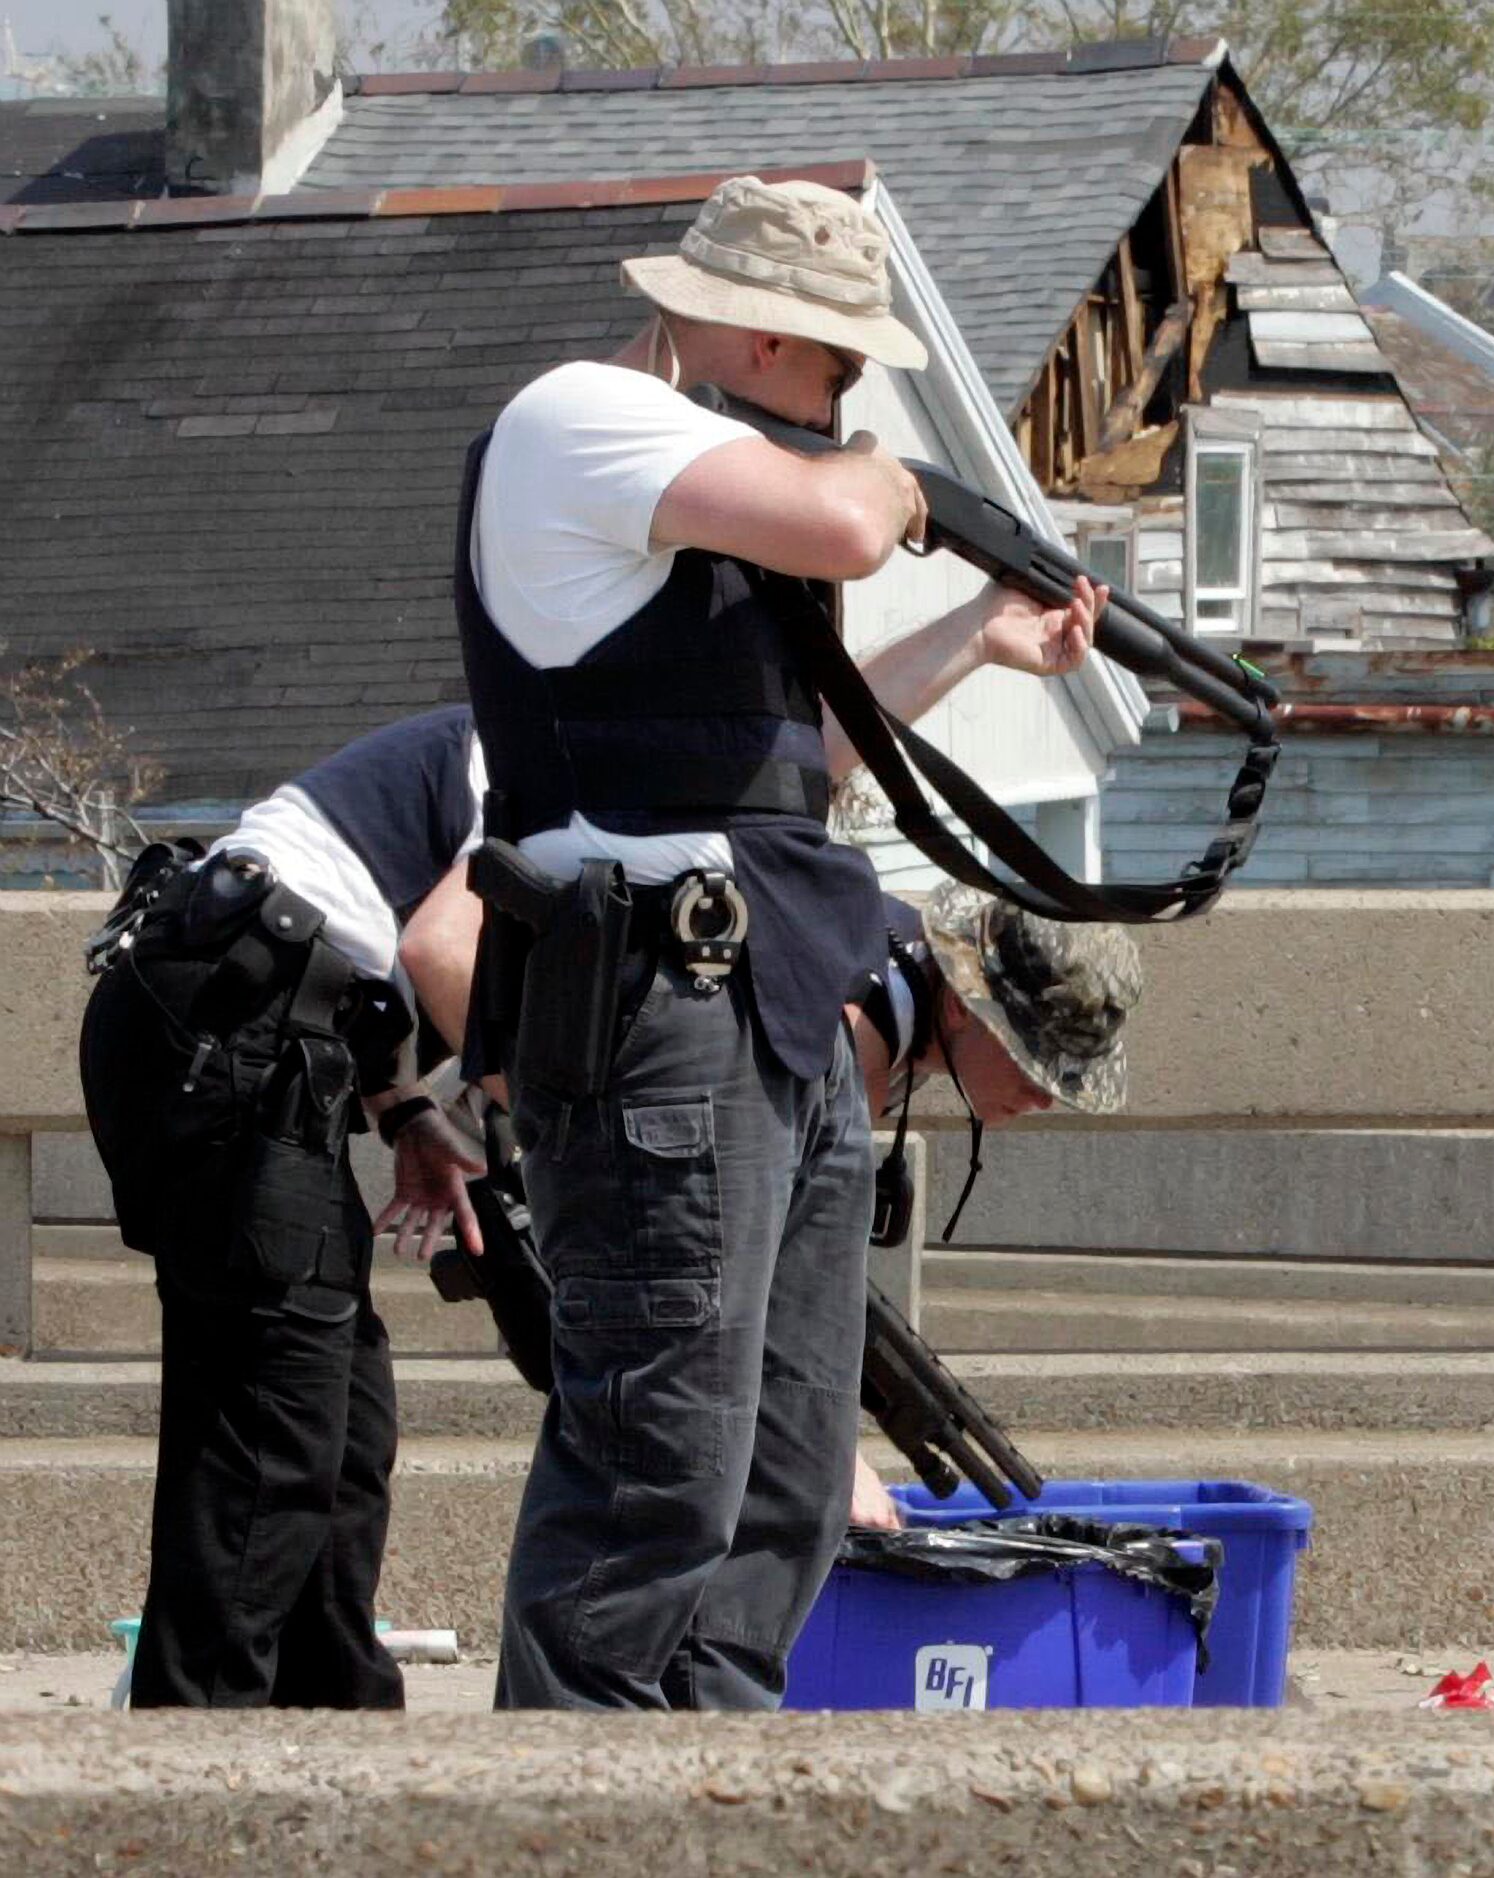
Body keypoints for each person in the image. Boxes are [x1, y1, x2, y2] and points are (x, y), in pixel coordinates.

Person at [459, 173, 1101, 1710]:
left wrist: (982, 636)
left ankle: (713, 1793)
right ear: (755, 337)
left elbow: (789, 762)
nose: (847, 396)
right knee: (654, 1478)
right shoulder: (577, 417)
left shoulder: (699, 487)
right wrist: (899, 482)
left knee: (786, 1475)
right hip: (656, 1004)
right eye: (834, 366)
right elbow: (843, 519)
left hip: (773, 1001)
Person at [78, 706, 496, 1707]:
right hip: (229, 1028)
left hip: (246, 1026)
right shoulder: (539, 744)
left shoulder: (521, 747)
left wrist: (402, 1116)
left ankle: (331, 1718)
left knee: (341, 1415)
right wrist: (565, 1128)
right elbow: (442, 949)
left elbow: (358, 935)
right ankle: (202, 1770)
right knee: (271, 1427)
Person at [838, 884, 1142, 1530]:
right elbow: (762, 1268)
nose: (1045, 1096)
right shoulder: (851, 1031)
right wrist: (828, 1455)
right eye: (1033, 1061)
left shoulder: (898, 984)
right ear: (958, 1006)